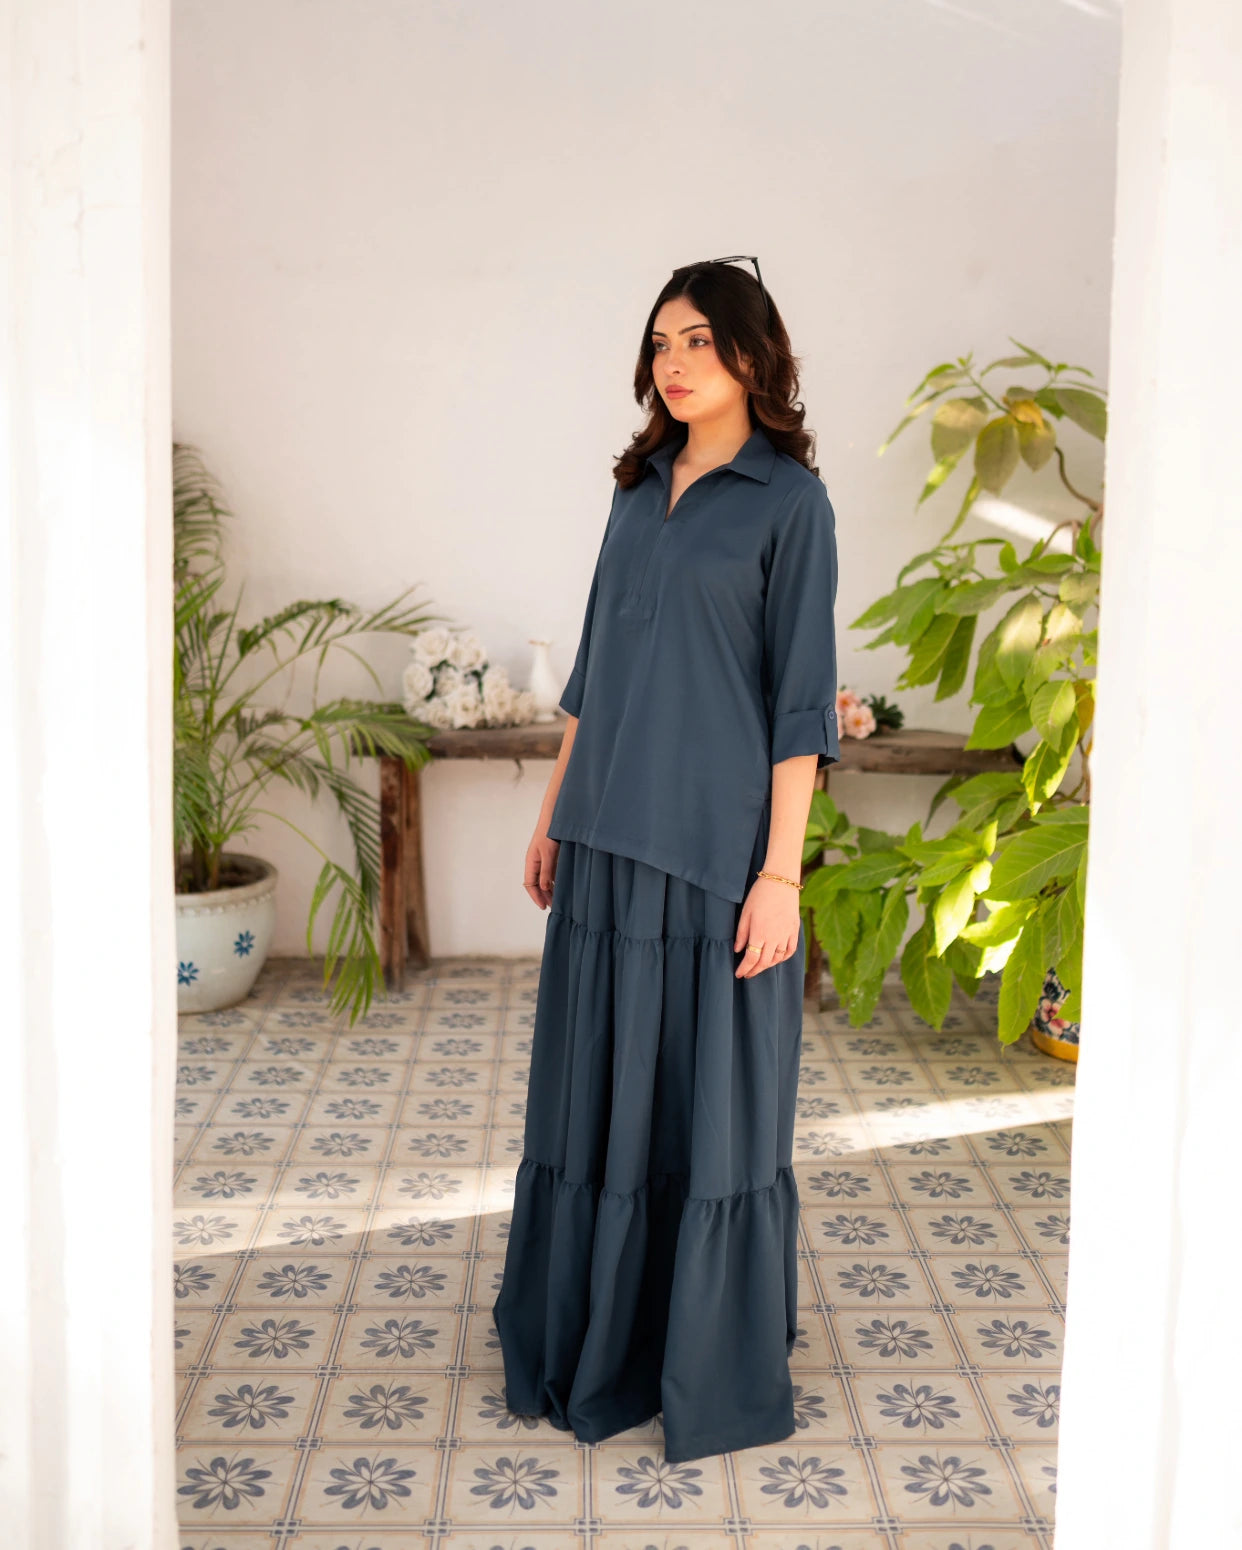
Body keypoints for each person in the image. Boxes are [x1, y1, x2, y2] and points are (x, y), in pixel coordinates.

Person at [492, 256, 841, 1464]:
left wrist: (781, 874)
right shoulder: (637, 490)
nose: (674, 362)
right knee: (595, 1106)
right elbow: (593, 675)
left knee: (712, 1112)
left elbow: (800, 710)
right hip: (601, 843)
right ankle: (595, 1332)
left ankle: (701, 1351)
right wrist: (551, 813)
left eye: (697, 338)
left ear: (751, 351)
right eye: (659, 344)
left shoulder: (791, 503)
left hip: (711, 853)